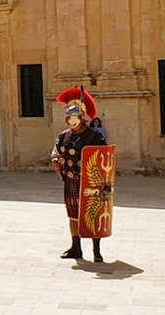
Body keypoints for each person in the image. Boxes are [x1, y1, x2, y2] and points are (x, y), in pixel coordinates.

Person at [51, 87, 107, 262]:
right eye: (68, 118)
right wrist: (55, 160)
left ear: (81, 118)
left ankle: (96, 250)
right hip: (70, 181)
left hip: (90, 183)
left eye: (74, 118)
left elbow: (104, 158)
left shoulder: (94, 137)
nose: (70, 121)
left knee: (92, 214)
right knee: (73, 214)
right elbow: (56, 151)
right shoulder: (63, 136)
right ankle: (76, 247)